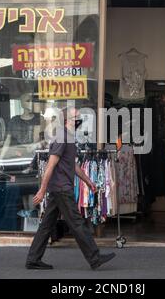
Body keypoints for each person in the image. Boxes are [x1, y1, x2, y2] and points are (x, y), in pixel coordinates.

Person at [26, 107, 116, 270]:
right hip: (61, 188)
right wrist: (42, 190)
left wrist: (88, 181)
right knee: (77, 223)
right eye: (77, 116)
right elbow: (50, 166)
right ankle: (94, 258)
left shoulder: (68, 137)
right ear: (67, 120)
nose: (79, 119)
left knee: (47, 225)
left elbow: (72, 165)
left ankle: (33, 259)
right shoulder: (62, 137)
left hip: (59, 188)